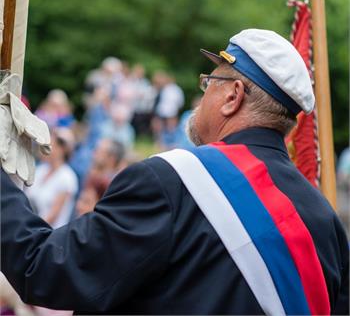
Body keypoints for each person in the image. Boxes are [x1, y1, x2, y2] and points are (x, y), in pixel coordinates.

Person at [1, 29, 348, 315]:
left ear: (233, 97)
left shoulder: (171, 181)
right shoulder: (326, 221)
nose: (200, 98)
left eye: (210, 83)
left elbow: (46, 271)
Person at [25, 128, 78, 229]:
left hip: (47, 235)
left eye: (50, 145)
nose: (44, 148)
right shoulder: (40, 170)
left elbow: (53, 215)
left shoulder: (67, 177)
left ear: (61, 150)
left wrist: (28, 229)